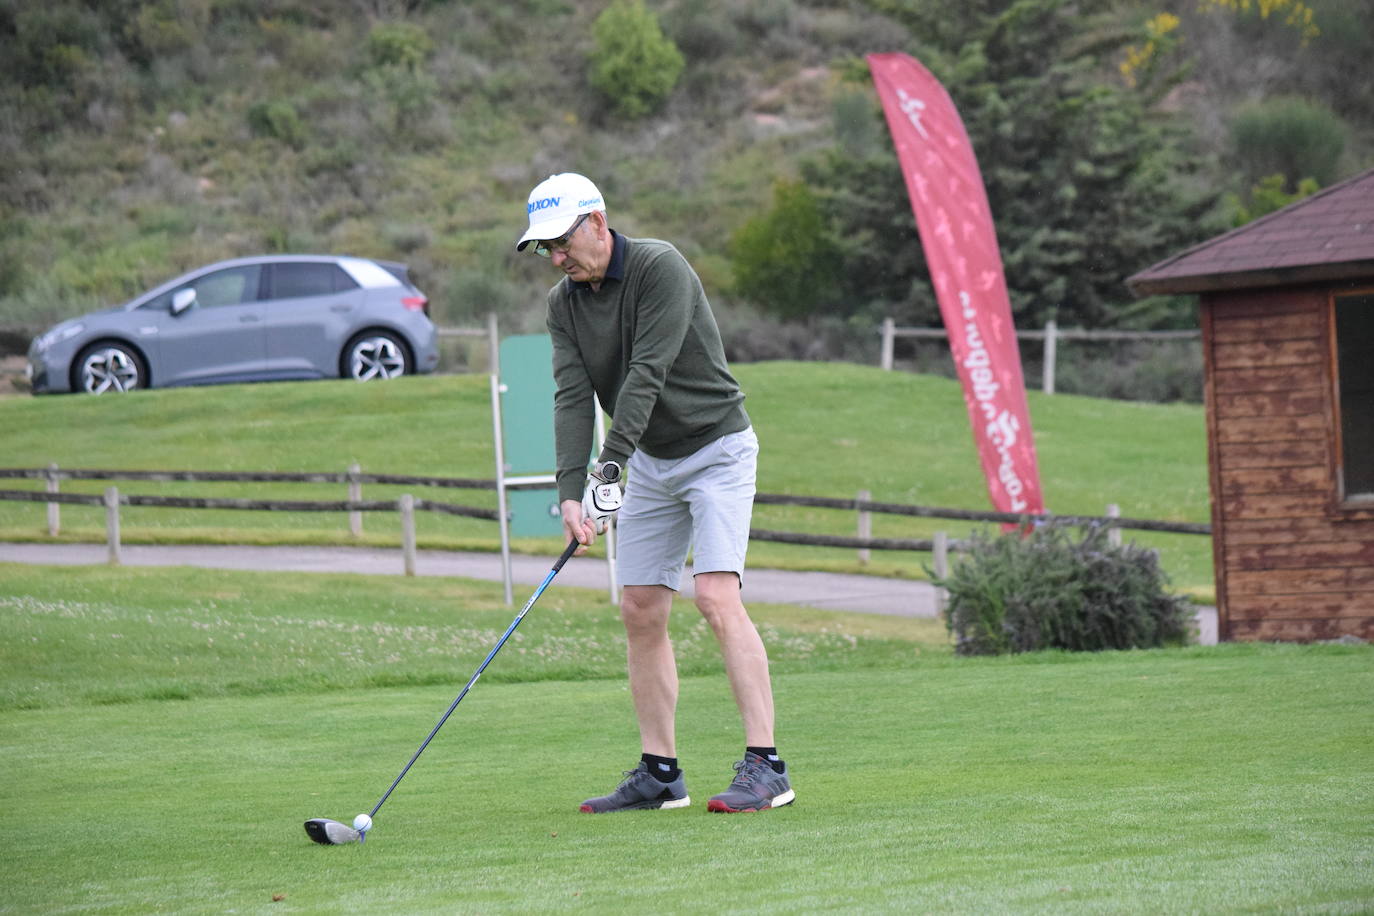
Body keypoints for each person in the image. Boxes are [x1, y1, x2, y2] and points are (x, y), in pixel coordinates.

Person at [516, 172, 794, 814]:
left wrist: (608, 472)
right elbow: (570, 396)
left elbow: (647, 373)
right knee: (640, 606)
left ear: (598, 221)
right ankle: (661, 772)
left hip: (715, 448)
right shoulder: (564, 305)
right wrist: (569, 492)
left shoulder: (659, 267)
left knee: (715, 596)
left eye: (561, 242)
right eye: (543, 249)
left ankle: (766, 765)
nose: (556, 258)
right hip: (648, 461)